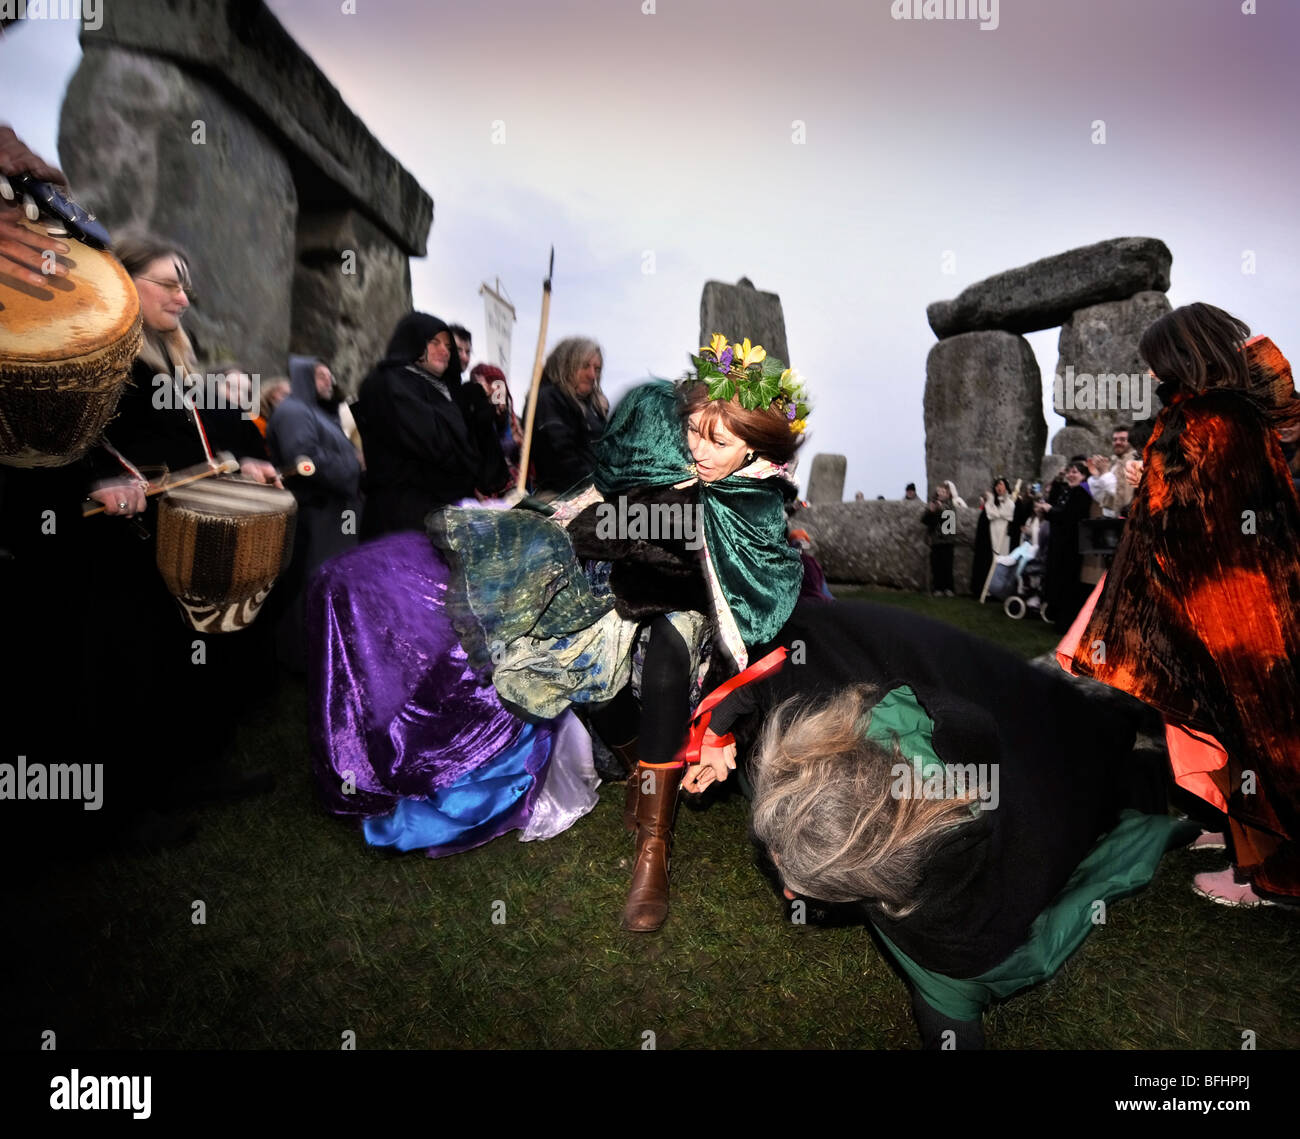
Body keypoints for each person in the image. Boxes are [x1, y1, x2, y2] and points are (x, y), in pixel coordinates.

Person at [312, 334, 810, 933]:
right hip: (621, 593)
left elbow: (745, 592)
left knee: (669, 651)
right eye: (694, 433)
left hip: (699, 622)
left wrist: (664, 561)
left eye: (717, 441)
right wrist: (630, 538)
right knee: (581, 667)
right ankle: (639, 772)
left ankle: (653, 852)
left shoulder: (759, 504)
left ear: (755, 449)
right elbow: (611, 517)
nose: (697, 450)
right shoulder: (670, 456)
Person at [684, 599, 1188, 1048]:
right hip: (1012, 700)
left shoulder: (959, 920)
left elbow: (952, 999)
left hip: (1064, 756)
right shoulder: (851, 713)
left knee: (1113, 734)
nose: (790, 898)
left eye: (801, 890)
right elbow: (797, 638)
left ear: (884, 894)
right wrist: (721, 726)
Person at [1065, 305, 1300, 908]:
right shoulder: (1242, 414)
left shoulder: (1200, 418)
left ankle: (1272, 873)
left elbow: (1180, 517)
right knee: (1250, 723)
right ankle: (1242, 839)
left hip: (1223, 606)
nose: (1148, 378)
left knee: (1253, 729)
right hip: (1260, 595)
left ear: (1178, 358)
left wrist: (1151, 485)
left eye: (1153, 366)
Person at [352, 312, 506, 538]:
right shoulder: (388, 382)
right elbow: (437, 446)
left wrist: (479, 413)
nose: (445, 351)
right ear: (413, 342)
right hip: (402, 522)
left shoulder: (448, 391)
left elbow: (485, 471)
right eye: (434, 343)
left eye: (448, 345)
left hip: (443, 519)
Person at [265, 354, 363, 670]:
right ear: (305, 376)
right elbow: (303, 461)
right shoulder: (294, 411)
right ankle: (300, 659)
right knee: (309, 590)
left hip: (332, 516)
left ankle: (318, 658)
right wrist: (352, 467)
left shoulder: (313, 412)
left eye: (329, 376)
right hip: (315, 515)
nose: (329, 381)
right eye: (321, 376)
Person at [529, 336, 609, 497]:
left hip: (594, 492)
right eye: (585, 366)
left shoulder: (593, 407)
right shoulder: (548, 399)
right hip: (560, 495)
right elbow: (560, 457)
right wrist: (594, 487)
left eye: (597, 369)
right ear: (566, 364)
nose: (592, 375)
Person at [1035, 458, 1092, 630]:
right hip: (1058, 541)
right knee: (1056, 580)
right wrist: (1047, 510)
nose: (1071, 475)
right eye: (1070, 471)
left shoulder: (1082, 493)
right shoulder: (1065, 491)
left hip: (1071, 544)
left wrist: (1050, 510)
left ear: (1083, 476)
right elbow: (1055, 507)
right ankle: (1056, 616)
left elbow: (1071, 517)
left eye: (1075, 472)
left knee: (1068, 583)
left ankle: (1066, 622)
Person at [922, 481, 962, 596]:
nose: (941, 493)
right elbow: (925, 521)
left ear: (948, 494)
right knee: (936, 566)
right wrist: (930, 512)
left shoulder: (950, 506)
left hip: (947, 541)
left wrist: (939, 511)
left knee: (947, 566)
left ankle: (949, 588)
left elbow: (948, 525)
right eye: (939, 491)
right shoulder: (933, 504)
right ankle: (938, 588)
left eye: (943, 492)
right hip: (935, 541)